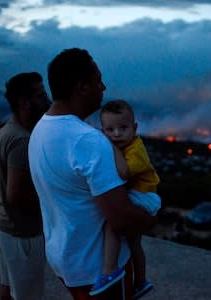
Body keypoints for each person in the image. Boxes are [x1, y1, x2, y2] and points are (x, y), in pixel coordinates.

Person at [28, 48, 157, 300]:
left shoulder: (40, 130)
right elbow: (120, 219)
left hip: (65, 259)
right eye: (98, 80)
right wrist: (152, 218)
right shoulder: (89, 140)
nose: (104, 86)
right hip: (99, 272)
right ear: (82, 87)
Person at [0, 72, 50, 300]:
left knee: (8, 287)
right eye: (41, 95)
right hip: (22, 234)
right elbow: (15, 195)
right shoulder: (22, 140)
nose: (47, 100)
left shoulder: (5, 131)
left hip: (2, 224)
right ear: (24, 102)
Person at [93, 99, 161, 298]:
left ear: (135, 128)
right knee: (134, 244)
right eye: (110, 130)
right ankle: (141, 282)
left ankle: (109, 271)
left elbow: (123, 172)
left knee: (112, 223)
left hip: (145, 196)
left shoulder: (136, 149)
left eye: (123, 128)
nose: (116, 134)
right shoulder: (125, 145)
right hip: (141, 193)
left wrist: (109, 145)